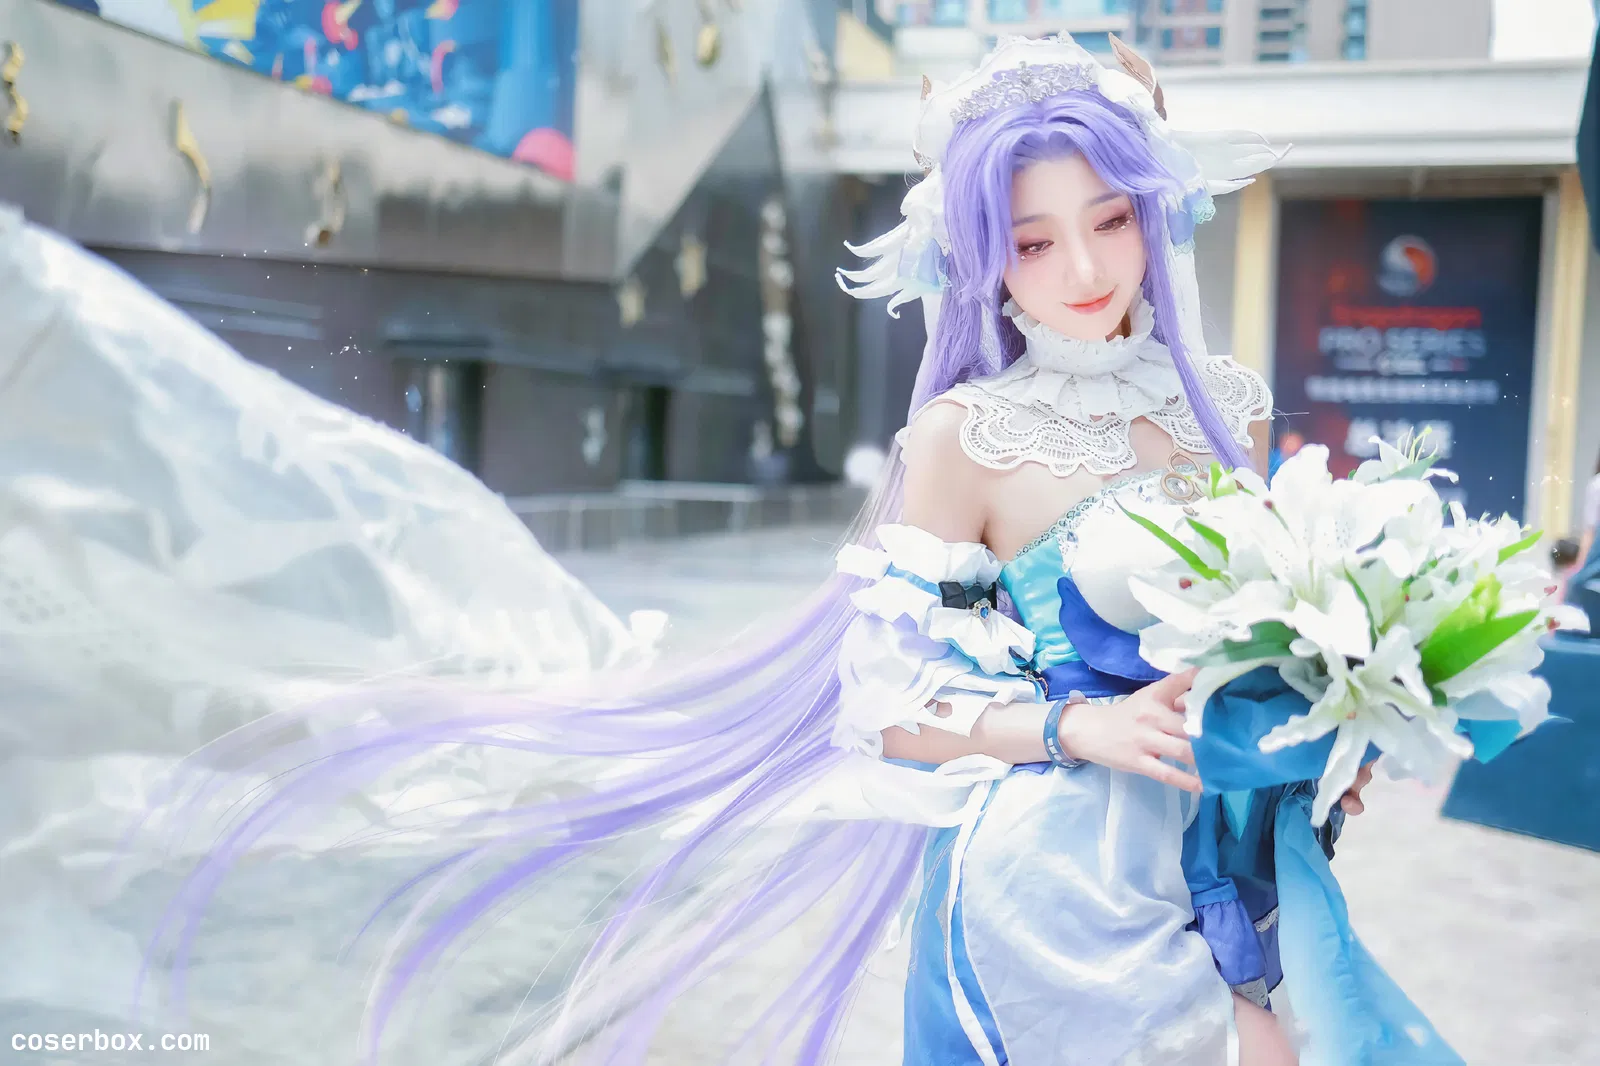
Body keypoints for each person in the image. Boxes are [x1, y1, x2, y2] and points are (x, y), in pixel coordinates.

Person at [141, 35, 1457, 1066]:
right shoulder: (964, 436)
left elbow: (1270, 636)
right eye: (1034, 239)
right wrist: (1077, 728)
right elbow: (884, 702)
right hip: (1058, 886)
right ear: (983, 259)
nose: (1081, 268)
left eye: (1110, 220)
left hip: (1237, 860)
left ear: (1157, 214)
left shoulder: (1227, 406)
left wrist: (1324, 740)